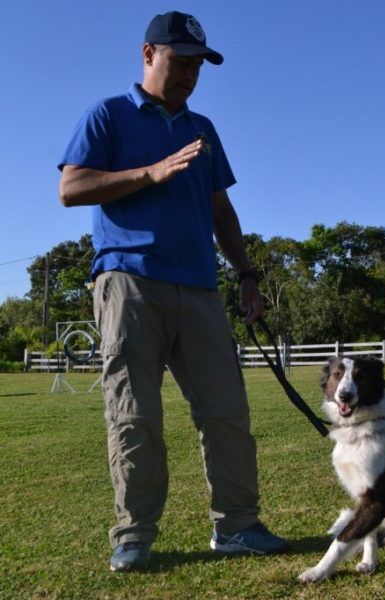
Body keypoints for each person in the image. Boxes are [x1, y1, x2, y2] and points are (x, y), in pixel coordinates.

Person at [58, 11, 289, 572]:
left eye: (197, 66)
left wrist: (247, 273)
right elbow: (71, 187)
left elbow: (220, 209)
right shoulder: (107, 114)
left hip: (201, 288)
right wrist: (150, 172)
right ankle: (134, 535)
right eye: (179, 61)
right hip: (129, 282)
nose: (189, 74)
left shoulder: (203, 129)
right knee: (135, 415)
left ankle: (237, 526)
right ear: (147, 55)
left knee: (227, 412)